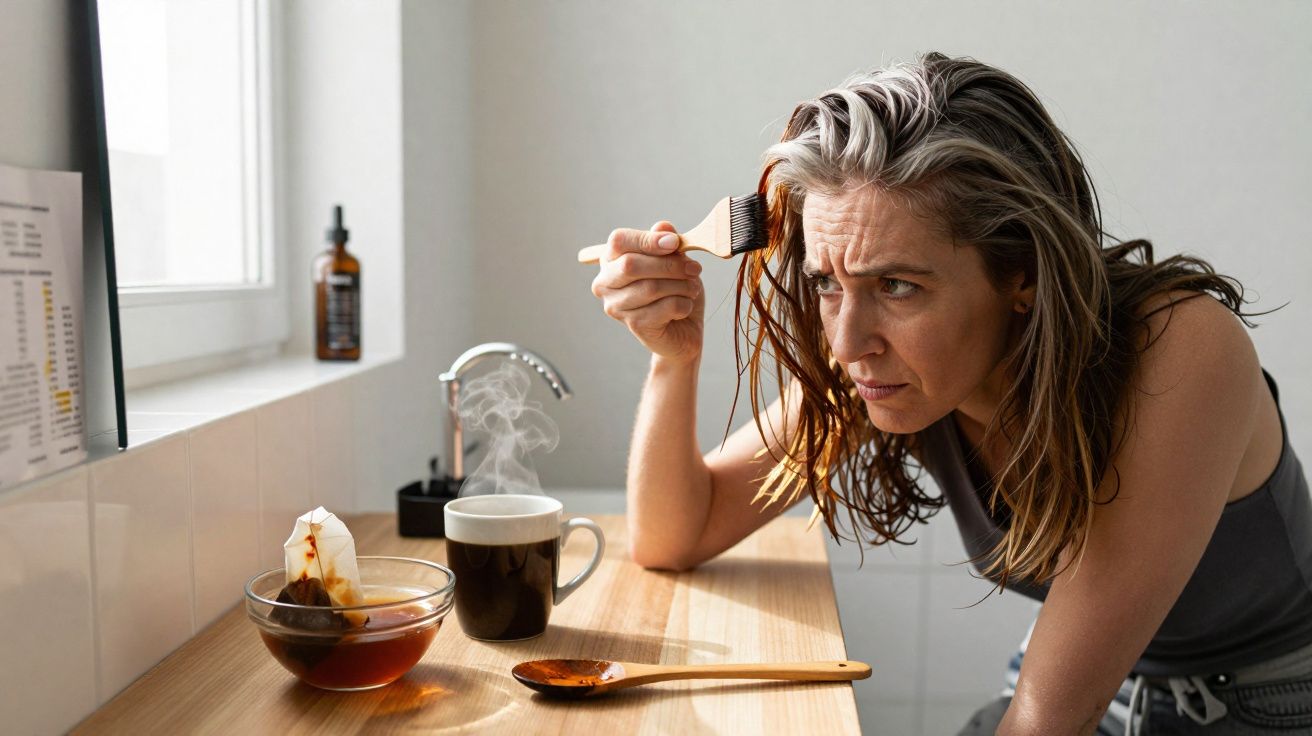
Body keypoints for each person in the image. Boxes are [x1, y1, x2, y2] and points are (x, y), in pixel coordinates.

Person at [587, 52, 1312, 735]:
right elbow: (675, 535)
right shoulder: (891, 362)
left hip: (1268, 703)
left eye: (897, 285)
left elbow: (1045, 725)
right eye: (825, 284)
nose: (845, 342)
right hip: (1077, 688)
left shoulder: (1183, 349)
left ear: (1021, 272)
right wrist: (673, 361)